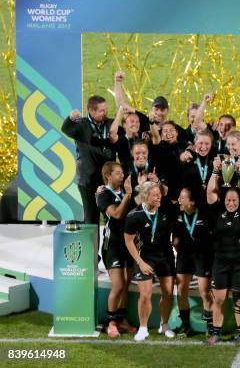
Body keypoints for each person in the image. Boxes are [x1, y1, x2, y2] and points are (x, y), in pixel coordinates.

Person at [206, 156, 240, 347]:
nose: (232, 203)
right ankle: (216, 332)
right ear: (224, 199)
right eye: (229, 199)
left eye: (234, 200)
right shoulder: (217, 210)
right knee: (218, 299)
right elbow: (210, 193)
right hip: (220, 261)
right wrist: (215, 171)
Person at [124, 181, 176, 341]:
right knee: (145, 294)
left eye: (159, 194)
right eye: (155, 195)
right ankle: (143, 328)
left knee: (167, 293)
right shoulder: (134, 215)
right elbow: (128, 241)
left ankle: (164, 324)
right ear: (145, 196)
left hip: (166, 256)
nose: (159, 197)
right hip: (145, 257)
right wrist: (140, 262)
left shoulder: (167, 209)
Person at [95, 162, 137, 337]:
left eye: (122, 172)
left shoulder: (125, 190)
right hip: (111, 245)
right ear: (108, 176)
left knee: (126, 284)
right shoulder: (103, 194)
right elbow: (117, 214)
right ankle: (110, 322)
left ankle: (121, 320)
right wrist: (128, 195)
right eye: (118, 173)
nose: (122, 176)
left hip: (128, 243)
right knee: (118, 284)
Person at [62, 95, 116, 225]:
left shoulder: (109, 124)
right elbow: (65, 129)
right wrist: (70, 118)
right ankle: (91, 245)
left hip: (107, 179)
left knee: (112, 216)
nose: (105, 113)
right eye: (101, 110)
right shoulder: (81, 124)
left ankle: (108, 245)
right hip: (87, 179)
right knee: (91, 217)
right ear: (91, 111)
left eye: (106, 110)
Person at [172, 187, 213, 336]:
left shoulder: (205, 214)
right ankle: (185, 325)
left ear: (192, 201)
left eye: (182, 198)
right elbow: (174, 237)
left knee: (204, 292)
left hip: (202, 255)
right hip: (184, 255)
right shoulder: (177, 214)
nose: (179, 200)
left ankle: (211, 326)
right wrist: (175, 243)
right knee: (181, 289)